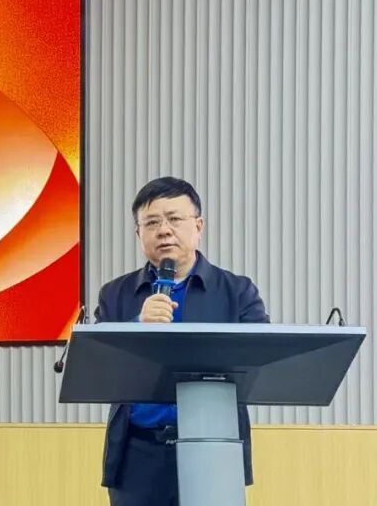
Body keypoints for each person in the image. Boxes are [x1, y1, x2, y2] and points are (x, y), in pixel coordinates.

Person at [96, 177, 269, 506]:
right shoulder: (116, 294)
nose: (164, 230)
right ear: (138, 234)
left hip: (213, 447)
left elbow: (260, 359)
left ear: (198, 226)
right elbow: (101, 364)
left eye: (174, 219)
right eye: (151, 222)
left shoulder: (237, 290)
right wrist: (137, 325)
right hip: (137, 454)